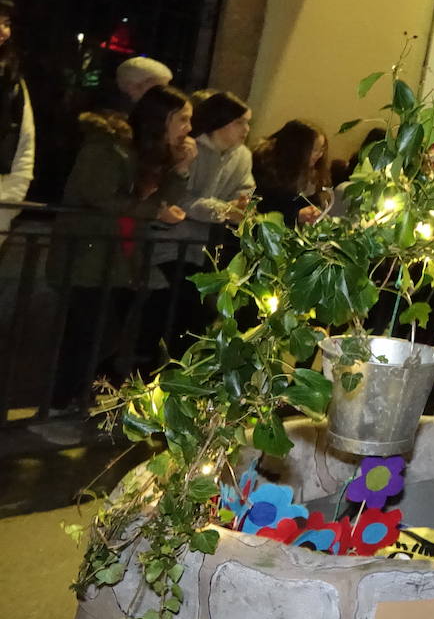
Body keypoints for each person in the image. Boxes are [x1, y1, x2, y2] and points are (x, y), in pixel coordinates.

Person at [47, 85, 194, 410]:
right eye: (183, 119)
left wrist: (180, 171)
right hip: (88, 256)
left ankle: (72, 403)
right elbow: (99, 197)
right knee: (86, 337)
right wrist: (154, 211)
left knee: (103, 337)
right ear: (162, 119)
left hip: (118, 260)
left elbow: (159, 201)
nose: (188, 129)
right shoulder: (108, 148)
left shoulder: (146, 155)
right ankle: (56, 407)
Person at [144, 91, 255, 360]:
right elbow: (181, 197)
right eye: (241, 122)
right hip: (171, 243)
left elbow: (245, 189)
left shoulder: (242, 156)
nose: (246, 129)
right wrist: (222, 210)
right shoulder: (191, 149)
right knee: (173, 312)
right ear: (223, 122)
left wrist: (242, 206)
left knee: (194, 315)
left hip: (204, 248)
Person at [0, 0, 35, 249]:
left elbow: (25, 142)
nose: (4, 31)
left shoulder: (11, 83)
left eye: (6, 23)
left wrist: (11, 200)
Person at [252, 120, 329, 227]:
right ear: (296, 149)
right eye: (314, 150)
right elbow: (260, 210)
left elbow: (311, 204)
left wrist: (314, 212)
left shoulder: (310, 174)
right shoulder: (266, 169)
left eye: (321, 149)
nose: (319, 155)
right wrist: (295, 216)